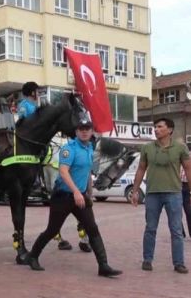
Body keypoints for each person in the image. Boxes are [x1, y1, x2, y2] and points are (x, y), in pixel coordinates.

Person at [23, 117, 122, 277]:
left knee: (92, 229)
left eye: (87, 129)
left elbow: (87, 174)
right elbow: (63, 171)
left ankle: (103, 266)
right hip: (63, 196)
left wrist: (89, 193)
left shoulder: (90, 149)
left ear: (91, 131)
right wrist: (76, 191)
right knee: (52, 230)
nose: (84, 132)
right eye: (81, 129)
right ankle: (32, 257)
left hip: (80, 197)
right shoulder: (69, 149)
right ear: (76, 132)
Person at [131, 118, 191, 273]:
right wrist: (135, 190)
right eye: (155, 127)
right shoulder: (147, 148)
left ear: (169, 130)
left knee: (176, 230)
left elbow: (188, 169)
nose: (156, 129)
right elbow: (141, 169)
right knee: (150, 228)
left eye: (160, 127)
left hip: (174, 193)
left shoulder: (180, 147)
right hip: (153, 194)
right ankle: (147, 260)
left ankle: (179, 263)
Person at [181, 166, 191, 238]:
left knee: (189, 210)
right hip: (177, 184)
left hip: (187, 184)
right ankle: (180, 232)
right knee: (176, 210)